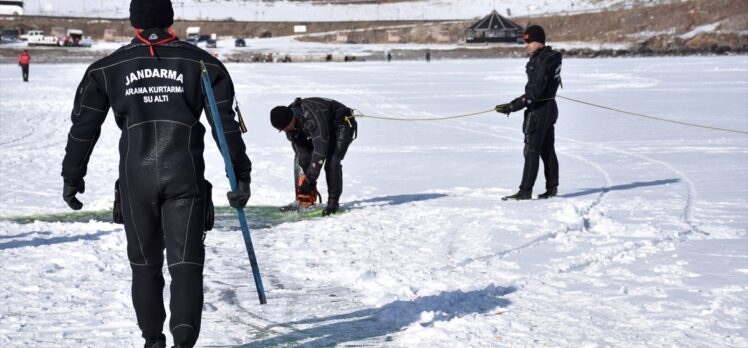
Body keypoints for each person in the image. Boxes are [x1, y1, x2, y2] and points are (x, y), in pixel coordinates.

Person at [60, 1, 252, 347]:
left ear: (134, 22)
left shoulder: (107, 68)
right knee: (186, 266)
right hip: (185, 177)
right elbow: (227, 129)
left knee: (145, 267)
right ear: (170, 20)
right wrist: (241, 176)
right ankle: (182, 344)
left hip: (136, 180)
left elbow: (83, 127)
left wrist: (72, 175)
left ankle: (153, 342)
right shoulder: (204, 64)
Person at [495, 25, 561, 200]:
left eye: (529, 41)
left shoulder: (542, 60)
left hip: (539, 109)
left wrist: (512, 106)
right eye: (525, 41)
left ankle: (525, 191)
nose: (526, 45)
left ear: (539, 41)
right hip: (550, 107)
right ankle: (552, 189)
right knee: (547, 149)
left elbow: (535, 91)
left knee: (531, 150)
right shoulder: (550, 57)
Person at [270, 97, 357, 216]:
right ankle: (303, 199)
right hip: (323, 128)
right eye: (281, 129)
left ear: (290, 120)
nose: (284, 131)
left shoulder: (311, 118)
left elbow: (320, 150)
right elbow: (302, 152)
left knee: (332, 161)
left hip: (342, 123)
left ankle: (333, 203)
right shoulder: (289, 122)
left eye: (284, 128)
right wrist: (307, 180)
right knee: (302, 159)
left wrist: (310, 178)